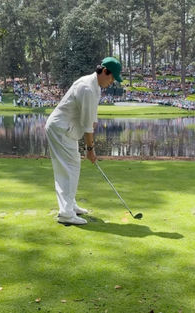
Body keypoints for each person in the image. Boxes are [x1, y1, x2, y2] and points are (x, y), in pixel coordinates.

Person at [45, 57, 123, 225]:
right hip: (60, 129)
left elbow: (91, 119)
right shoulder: (87, 87)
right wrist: (90, 149)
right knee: (67, 169)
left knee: (73, 167)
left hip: (69, 131)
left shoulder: (96, 87)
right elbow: (88, 127)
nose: (112, 82)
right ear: (104, 71)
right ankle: (66, 213)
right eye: (111, 78)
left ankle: (70, 205)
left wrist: (91, 127)